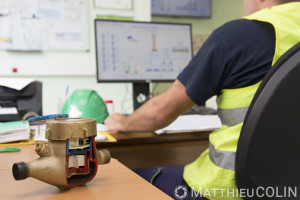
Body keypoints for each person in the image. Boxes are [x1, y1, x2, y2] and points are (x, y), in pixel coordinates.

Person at [105, 0, 300, 199]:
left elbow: (159, 113)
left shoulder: (238, 36)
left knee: (128, 180)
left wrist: (123, 122)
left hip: (228, 190)